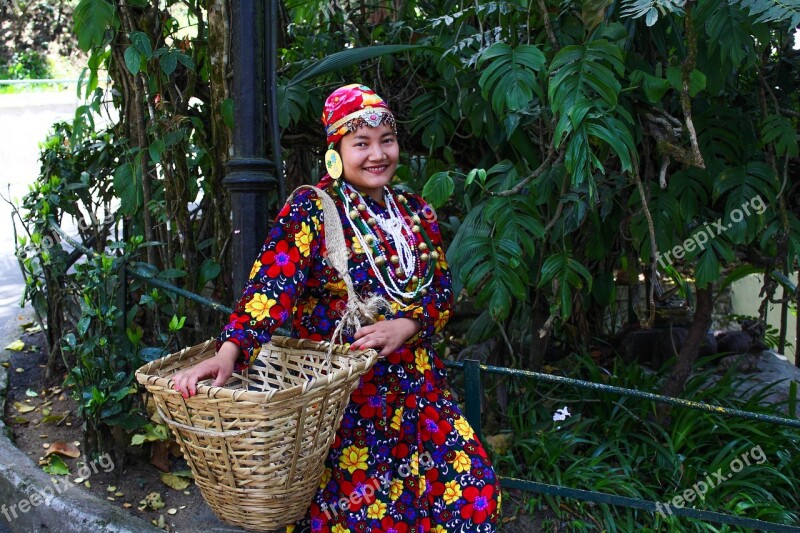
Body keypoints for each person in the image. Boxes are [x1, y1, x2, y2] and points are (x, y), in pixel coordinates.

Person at [171, 83, 500, 532]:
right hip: (345, 400)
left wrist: (405, 325)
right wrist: (231, 351)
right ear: (336, 151)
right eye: (360, 143)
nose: (377, 154)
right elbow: (271, 286)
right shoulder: (313, 208)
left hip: (419, 390)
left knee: (472, 494)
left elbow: (440, 293)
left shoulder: (414, 210)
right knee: (362, 516)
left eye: (386, 140)